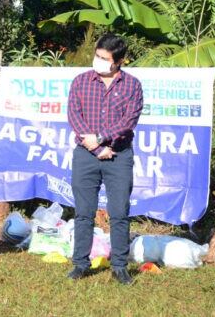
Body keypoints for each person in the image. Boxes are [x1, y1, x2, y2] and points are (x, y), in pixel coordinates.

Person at [66, 33, 143, 285]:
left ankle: (119, 265)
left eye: (104, 58)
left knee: (119, 212)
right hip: (86, 155)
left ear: (118, 61)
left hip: (119, 155)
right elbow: (74, 116)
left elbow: (128, 122)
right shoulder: (81, 81)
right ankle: (80, 264)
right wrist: (95, 147)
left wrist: (100, 138)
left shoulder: (132, 85)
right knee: (84, 212)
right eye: (96, 56)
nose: (97, 61)